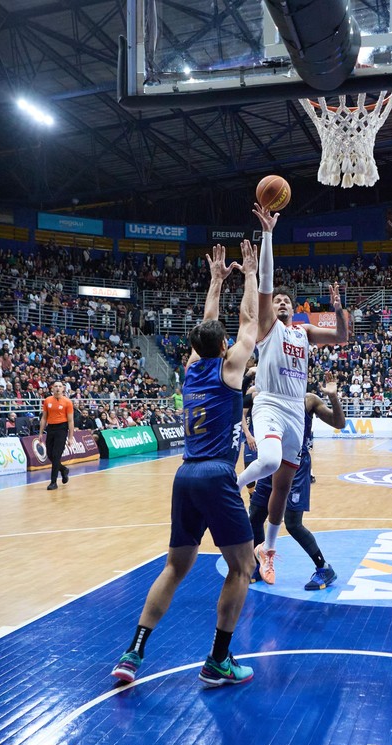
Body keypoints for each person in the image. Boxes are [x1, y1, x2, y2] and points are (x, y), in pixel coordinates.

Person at [112, 240, 259, 687]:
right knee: (242, 567)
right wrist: (251, 274)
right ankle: (218, 661)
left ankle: (132, 653)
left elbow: (208, 327)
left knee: (175, 567)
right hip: (215, 473)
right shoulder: (228, 368)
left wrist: (215, 281)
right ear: (224, 347)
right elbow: (250, 321)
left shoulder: (194, 366)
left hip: (184, 476)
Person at [236, 204, 349, 586]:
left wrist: (337, 309)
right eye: (278, 300)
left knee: (280, 493)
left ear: (295, 307)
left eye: (287, 300)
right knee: (267, 462)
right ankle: (226, 486)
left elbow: (341, 336)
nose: (281, 302)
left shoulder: (303, 332)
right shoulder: (268, 327)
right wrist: (267, 234)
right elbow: (266, 283)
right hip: (269, 402)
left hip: (292, 410)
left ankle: (267, 554)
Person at [248, 373, 343, 588]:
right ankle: (259, 563)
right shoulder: (263, 394)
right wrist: (248, 376)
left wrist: (333, 398)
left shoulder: (309, 400)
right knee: (255, 515)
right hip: (270, 461)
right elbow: (237, 403)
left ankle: (324, 568)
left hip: (295, 466)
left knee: (292, 523)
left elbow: (340, 422)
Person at [38, 381, 74, 491]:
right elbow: (44, 418)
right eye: (55, 386)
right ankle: (63, 470)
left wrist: (70, 437)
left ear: (63, 389)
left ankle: (53, 482)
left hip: (62, 429)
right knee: (50, 455)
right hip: (51, 428)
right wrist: (40, 432)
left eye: (59, 386)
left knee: (56, 455)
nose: (57, 388)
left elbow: (71, 421)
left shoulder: (67, 402)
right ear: (52, 388)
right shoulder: (47, 400)